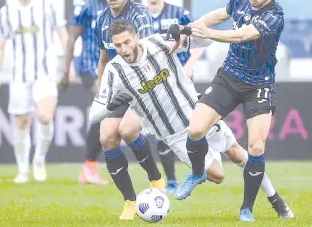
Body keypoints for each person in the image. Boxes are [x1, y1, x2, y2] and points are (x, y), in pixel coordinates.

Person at [89, 19, 293, 220]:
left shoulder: (159, 43)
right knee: (218, 176)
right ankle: (199, 166)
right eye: (118, 45)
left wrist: (185, 31)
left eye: (127, 42)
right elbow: (94, 115)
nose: (124, 49)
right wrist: (111, 105)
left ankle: (276, 200)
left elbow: (206, 42)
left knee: (237, 153)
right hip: (175, 135)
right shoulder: (114, 71)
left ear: (136, 37)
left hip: (199, 115)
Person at [171, 0, 286, 222]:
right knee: (195, 129)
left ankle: (246, 209)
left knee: (255, 147)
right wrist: (189, 28)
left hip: (259, 84)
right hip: (229, 77)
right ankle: (198, 172)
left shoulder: (275, 15)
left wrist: (209, 34)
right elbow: (218, 15)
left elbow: (244, 35)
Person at [90, 0, 165, 220]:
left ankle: (155, 179)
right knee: (107, 138)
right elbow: (103, 60)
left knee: (127, 130)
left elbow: (150, 53)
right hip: (118, 88)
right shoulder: (101, 21)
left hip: (145, 85)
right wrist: (102, 90)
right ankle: (131, 202)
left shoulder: (140, 16)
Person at [0, 0, 68, 183]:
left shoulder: (46, 6)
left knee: (44, 116)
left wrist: (67, 66)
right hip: (19, 76)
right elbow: (0, 46)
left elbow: (62, 34)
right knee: (22, 123)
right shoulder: (6, 12)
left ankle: (39, 160)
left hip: (45, 73)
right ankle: (23, 169)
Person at [142, 0, 205, 194]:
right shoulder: (140, 18)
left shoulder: (179, 14)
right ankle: (171, 180)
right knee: (162, 130)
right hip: (157, 81)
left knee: (193, 125)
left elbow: (199, 41)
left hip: (182, 77)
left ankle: (202, 167)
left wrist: (190, 66)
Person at [60, 0, 112, 185]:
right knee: (104, 110)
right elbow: (72, 38)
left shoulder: (120, 5)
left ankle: (89, 168)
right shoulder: (87, 5)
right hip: (90, 67)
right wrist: (66, 70)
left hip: (113, 70)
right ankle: (89, 166)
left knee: (105, 115)